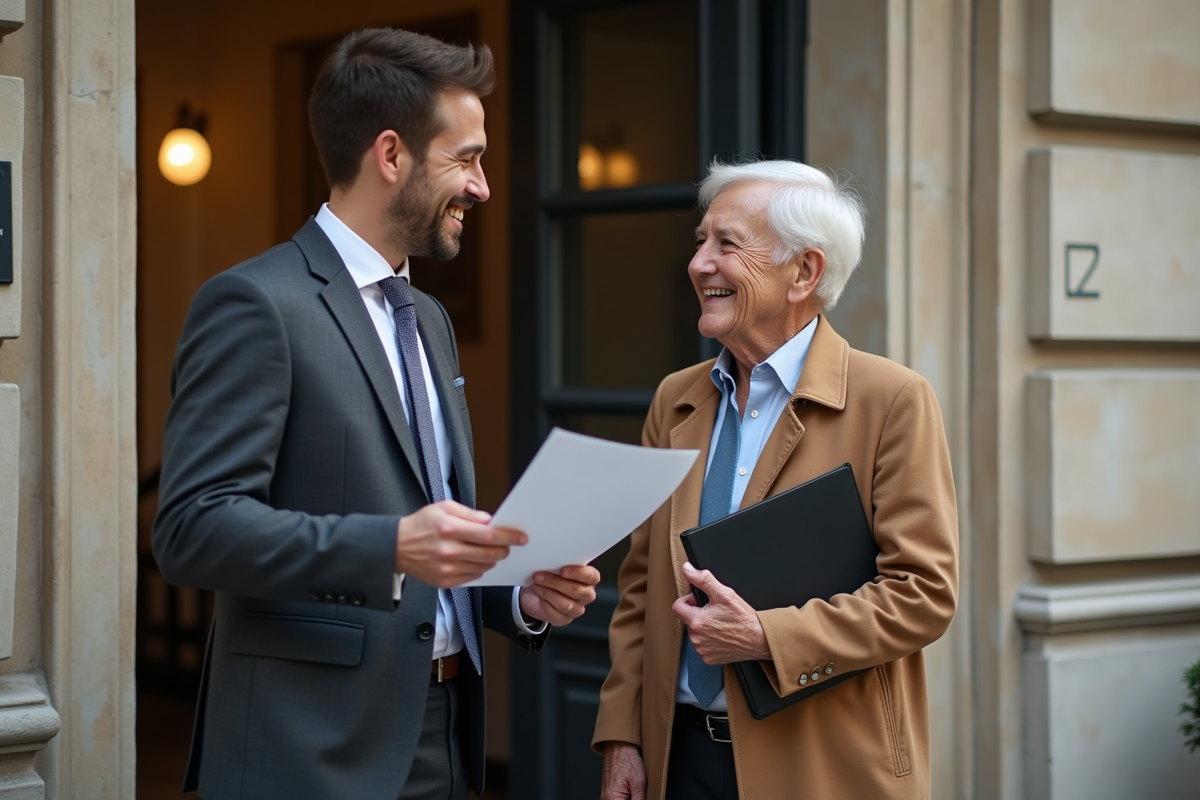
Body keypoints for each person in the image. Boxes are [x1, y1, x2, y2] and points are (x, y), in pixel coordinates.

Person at [153, 27, 600, 800]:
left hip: (446, 732)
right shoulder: (256, 304)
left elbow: (430, 527)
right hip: (308, 750)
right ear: (390, 156)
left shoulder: (427, 316)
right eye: (466, 159)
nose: (484, 186)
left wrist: (514, 592)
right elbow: (192, 530)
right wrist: (390, 545)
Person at [594, 160, 958, 799]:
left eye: (727, 244)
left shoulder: (893, 399)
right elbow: (641, 586)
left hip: (822, 766)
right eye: (700, 241)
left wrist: (768, 638)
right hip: (677, 761)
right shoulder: (675, 399)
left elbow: (922, 595)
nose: (699, 262)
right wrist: (625, 735)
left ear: (805, 273)